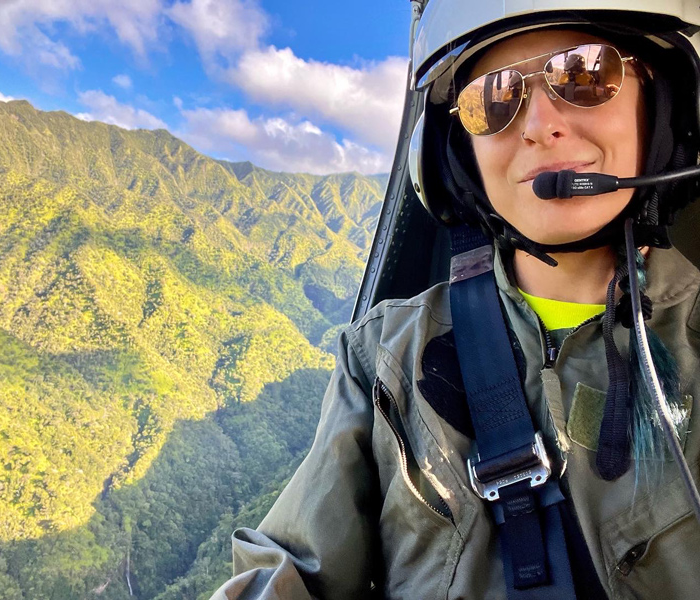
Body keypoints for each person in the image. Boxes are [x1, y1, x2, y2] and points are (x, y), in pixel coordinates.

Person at [211, 2, 700, 598]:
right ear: (458, 156)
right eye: (492, 100)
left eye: (585, 74)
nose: (539, 122)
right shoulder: (382, 356)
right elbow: (286, 570)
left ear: (661, 105)